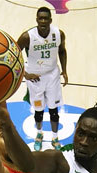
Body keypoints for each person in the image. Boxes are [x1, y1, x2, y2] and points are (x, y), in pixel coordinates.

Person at [17, 6, 68, 151]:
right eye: (41, 18)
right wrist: (25, 74)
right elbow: (14, 55)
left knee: (54, 110)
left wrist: (64, 71)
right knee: (38, 111)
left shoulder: (58, 34)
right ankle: (39, 135)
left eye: (46, 18)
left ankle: (55, 137)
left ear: (51, 20)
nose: (43, 21)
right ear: (36, 19)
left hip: (52, 76)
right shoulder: (27, 37)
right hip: (35, 79)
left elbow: (62, 51)